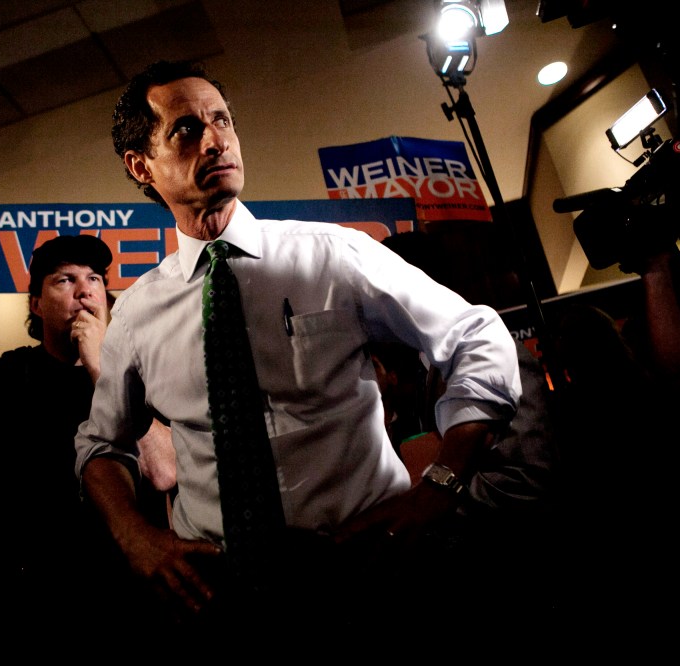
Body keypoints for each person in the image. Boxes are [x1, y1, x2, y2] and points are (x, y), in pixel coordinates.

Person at [73, 59, 521, 645]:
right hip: (225, 601)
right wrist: (135, 537)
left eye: (223, 121)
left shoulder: (334, 256)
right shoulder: (135, 315)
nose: (216, 140)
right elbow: (100, 443)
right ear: (141, 165)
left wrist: (441, 483)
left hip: (370, 576)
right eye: (187, 129)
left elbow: (477, 337)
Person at [0, 233, 167, 641]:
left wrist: (102, 367)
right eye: (64, 280)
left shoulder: (149, 374)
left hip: (130, 589)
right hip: (31, 595)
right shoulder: (0, 382)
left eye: (94, 279)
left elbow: (162, 471)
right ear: (35, 304)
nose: (84, 290)